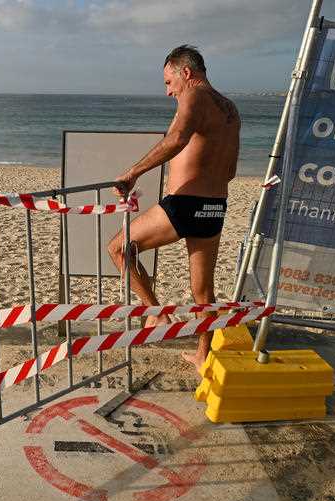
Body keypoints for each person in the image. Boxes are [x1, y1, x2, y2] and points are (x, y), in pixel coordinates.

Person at [108, 44, 240, 371]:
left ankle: (156, 315)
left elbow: (177, 138)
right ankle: (202, 355)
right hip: (214, 206)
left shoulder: (194, 96)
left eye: (169, 83)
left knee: (119, 248)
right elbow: (231, 170)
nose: (169, 92)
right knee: (203, 291)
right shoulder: (231, 109)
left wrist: (132, 172)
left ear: (186, 72)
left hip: (184, 204)